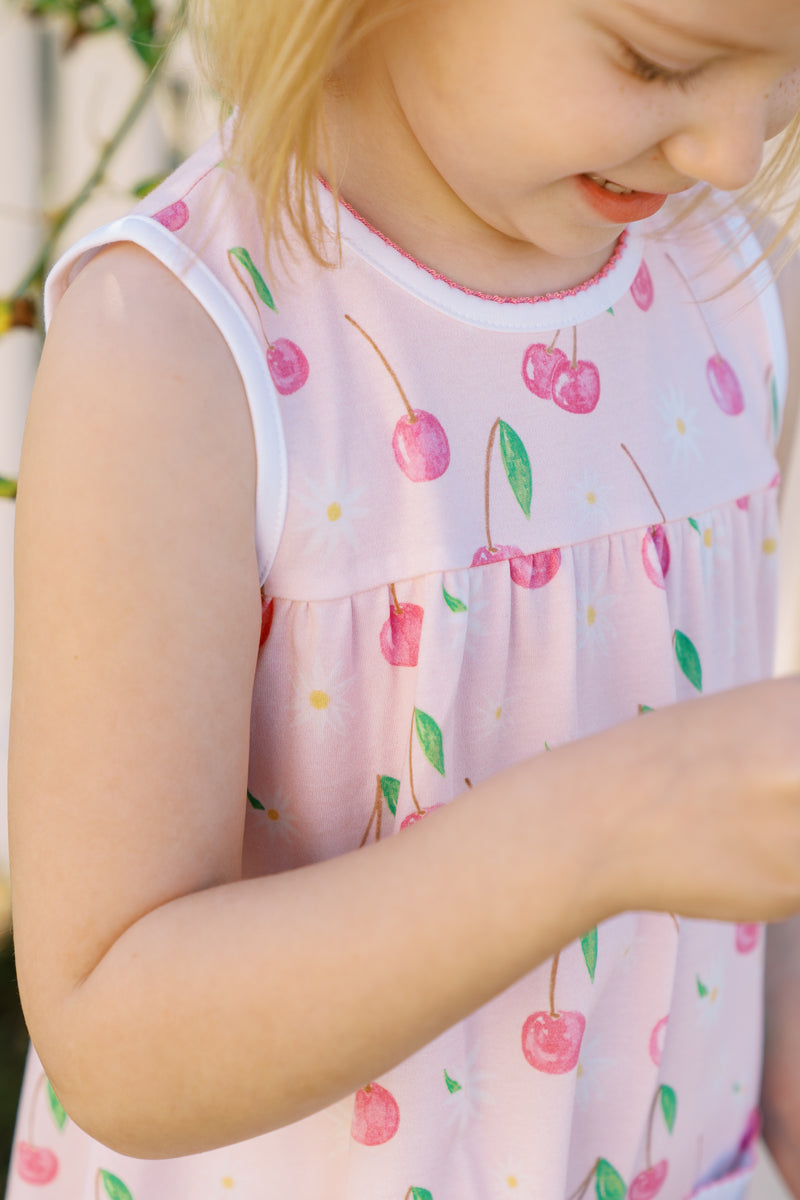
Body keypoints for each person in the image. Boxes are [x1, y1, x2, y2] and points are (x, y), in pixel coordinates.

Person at [6, 0, 800, 1197]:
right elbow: (116, 1038)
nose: (731, 150)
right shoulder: (178, 351)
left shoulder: (724, 281)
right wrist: (621, 819)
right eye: (655, 62)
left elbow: (742, 876)